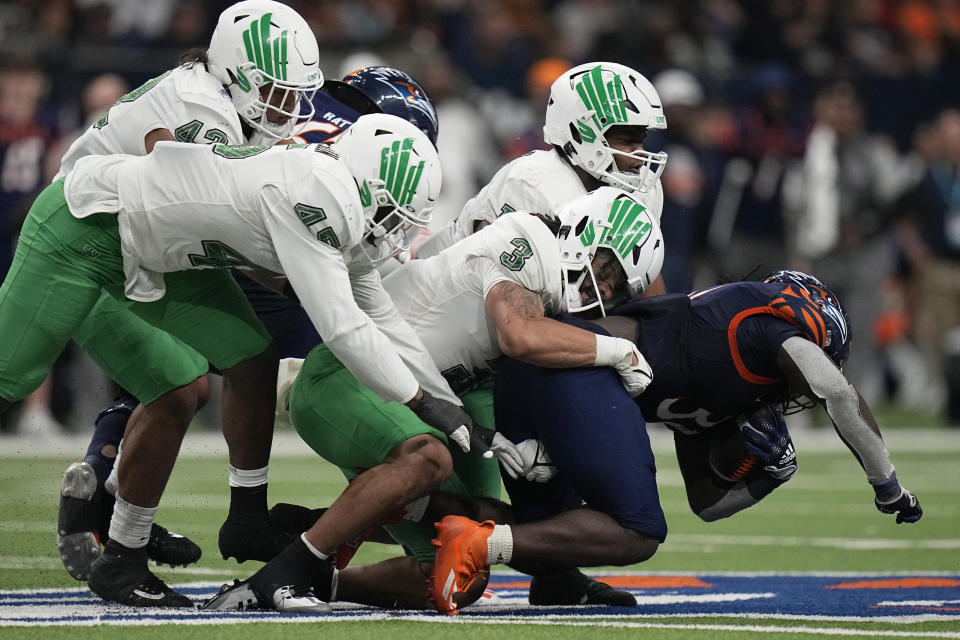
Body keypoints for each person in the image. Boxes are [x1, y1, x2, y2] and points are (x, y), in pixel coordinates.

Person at [1, 113, 471, 609]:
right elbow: (344, 328)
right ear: (366, 181)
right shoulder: (317, 195)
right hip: (84, 227)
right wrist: (421, 402)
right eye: (390, 211)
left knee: (246, 359)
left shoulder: (332, 187)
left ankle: (165, 544)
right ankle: (161, 530)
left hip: (158, 251)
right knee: (8, 378)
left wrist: (446, 402)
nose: (392, 231)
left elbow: (380, 314)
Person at [201, 185, 665, 614]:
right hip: (348, 377)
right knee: (428, 459)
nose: (601, 289)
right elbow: (519, 335)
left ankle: (315, 569)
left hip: (425, 402)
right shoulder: (527, 242)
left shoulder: (553, 299)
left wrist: (523, 444)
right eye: (606, 268)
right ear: (582, 230)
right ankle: (286, 571)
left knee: (461, 565)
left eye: (616, 286)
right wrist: (618, 350)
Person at [431, 270, 923, 613]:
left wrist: (764, 481)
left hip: (540, 375)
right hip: (574, 367)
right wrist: (888, 485)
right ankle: (480, 544)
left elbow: (704, 503)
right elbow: (837, 391)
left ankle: (406, 513)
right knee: (637, 530)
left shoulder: (727, 385)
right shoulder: (767, 330)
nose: (801, 387)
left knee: (551, 548)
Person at [418, 61, 668, 300]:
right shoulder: (532, 185)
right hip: (440, 299)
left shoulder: (641, 190)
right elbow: (508, 306)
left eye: (641, 140)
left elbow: (642, 277)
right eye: (627, 140)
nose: (640, 156)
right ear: (581, 133)